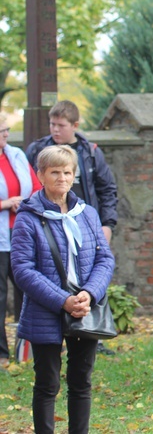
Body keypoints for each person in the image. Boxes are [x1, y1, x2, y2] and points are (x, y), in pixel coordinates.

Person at [12, 145, 115, 433]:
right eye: (54, 172)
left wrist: (90, 293)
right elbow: (22, 269)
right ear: (40, 174)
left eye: (67, 172)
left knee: (81, 380)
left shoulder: (88, 214)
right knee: (48, 382)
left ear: (74, 175)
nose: (62, 178)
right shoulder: (28, 217)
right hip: (45, 309)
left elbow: (104, 258)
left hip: (85, 307)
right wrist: (63, 301)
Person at [26, 100, 118, 355]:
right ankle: (50, 340)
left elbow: (107, 190)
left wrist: (107, 224)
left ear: (75, 126)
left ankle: (90, 332)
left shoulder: (90, 151)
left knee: (87, 276)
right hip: (47, 224)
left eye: (61, 125)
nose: (55, 129)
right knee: (53, 278)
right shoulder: (38, 149)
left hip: (84, 224)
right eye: (52, 124)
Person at [0, 115, 42, 368]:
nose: (5, 135)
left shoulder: (15, 154)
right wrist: (5, 204)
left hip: (22, 234)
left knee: (30, 291)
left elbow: (36, 187)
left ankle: (27, 349)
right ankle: (1, 354)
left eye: (6, 130)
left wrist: (27, 203)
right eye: (1, 131)